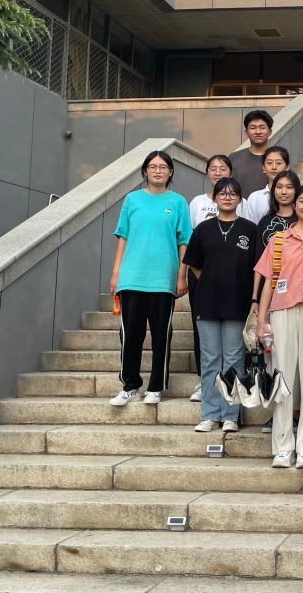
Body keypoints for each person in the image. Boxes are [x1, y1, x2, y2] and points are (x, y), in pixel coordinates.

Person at [255, 184, 303, 469]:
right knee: (283, 378)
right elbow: (269, 281)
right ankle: (282, 445)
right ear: (295, 204)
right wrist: (261, 320)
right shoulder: (279, 240)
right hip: (282, 310)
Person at [108, 151, 191, 407]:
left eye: (163, 167)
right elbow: (123, 236)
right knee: (130, 335)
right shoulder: (132, 199)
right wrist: (116, 272)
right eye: (152, 166)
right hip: (132, 276)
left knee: (161, 336)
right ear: (145, 171)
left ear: (170, 172)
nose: (157, 171)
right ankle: (130, 385)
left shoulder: (178, 202)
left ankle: (156, 387)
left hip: (163, 279)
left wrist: (181, 275)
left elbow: (184, 241)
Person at [183, 176, 257, 433]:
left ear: (240, 199)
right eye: (222, 193)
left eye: (232, 193)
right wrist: (211, 281)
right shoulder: (203, 229)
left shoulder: (250, 229)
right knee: (210, 359)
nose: (227, 197)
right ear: (214, 198)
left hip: (237, 304)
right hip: (207, 303)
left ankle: (230, 415)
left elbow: (256, 269)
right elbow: (194, 264)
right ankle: (210, 414)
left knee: (234, 360)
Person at [187, 154, 235, 403]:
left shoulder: (239, 201)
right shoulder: (197, 202)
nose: (217, 172)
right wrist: (199, 276)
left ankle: (231, 383)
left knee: (232, 336)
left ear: (231, 172)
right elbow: (189, 239)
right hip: (201, 274)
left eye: (222, 168)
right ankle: (203, 380)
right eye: (213, 168)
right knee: (202, 330)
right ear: (207, 173)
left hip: (231, 277)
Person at [253, 170, 300, 264]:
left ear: (296, 190)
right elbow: (258, 259)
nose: (283, 192)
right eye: (279, 187)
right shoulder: (264, 222)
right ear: (273, 190)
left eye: (289, 187)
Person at [239, 145, 290, 224]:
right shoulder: (254, 198)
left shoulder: (295, 195)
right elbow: (249, 227)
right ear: (263, 167)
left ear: (287, 167)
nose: (274, 167)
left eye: (279, 163)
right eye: (269, 163)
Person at [235, 109, 274, 198]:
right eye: (253, 128)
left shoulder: (278, 159)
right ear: (246, 132)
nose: (258, 132)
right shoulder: (234, 158)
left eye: (262, 127)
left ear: (270, 131)